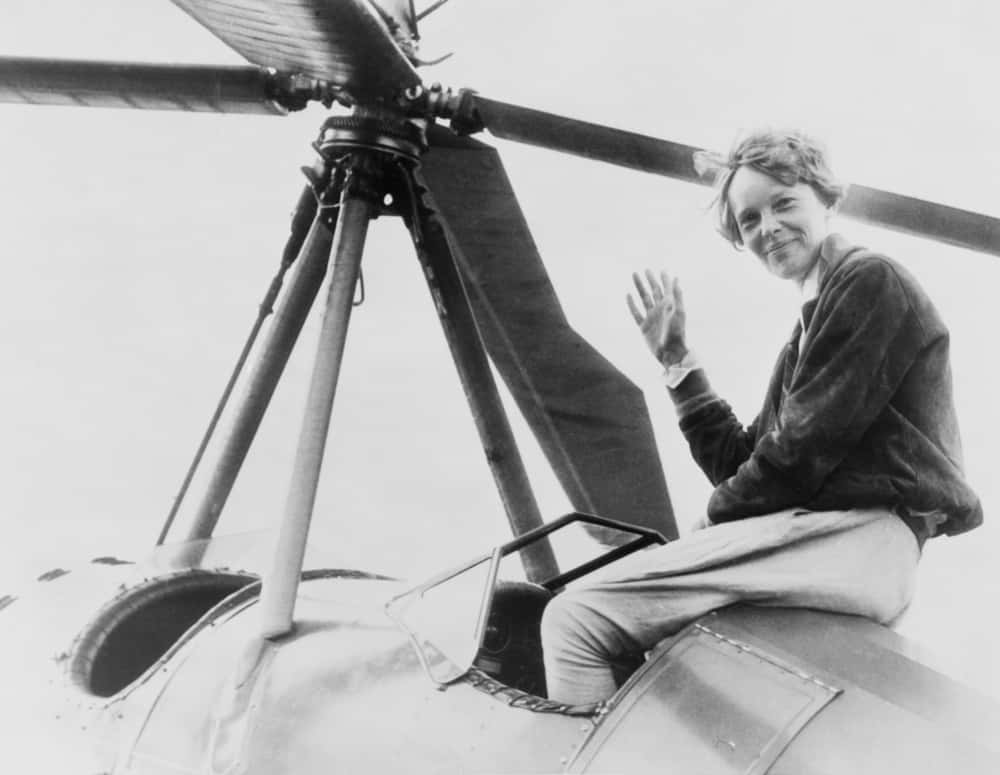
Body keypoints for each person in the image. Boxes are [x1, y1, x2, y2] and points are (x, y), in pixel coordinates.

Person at [539, 129, 983, 705]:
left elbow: (797, 455)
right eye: (749, 219)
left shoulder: (869, 281)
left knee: (575, 620)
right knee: (665, 656)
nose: (767, 227)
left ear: (827, 199)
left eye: (784, 203)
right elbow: (743, 464)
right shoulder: (810, 331)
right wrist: (676, 361)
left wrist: (708, 523)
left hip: (856, 540)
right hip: (838, 547)